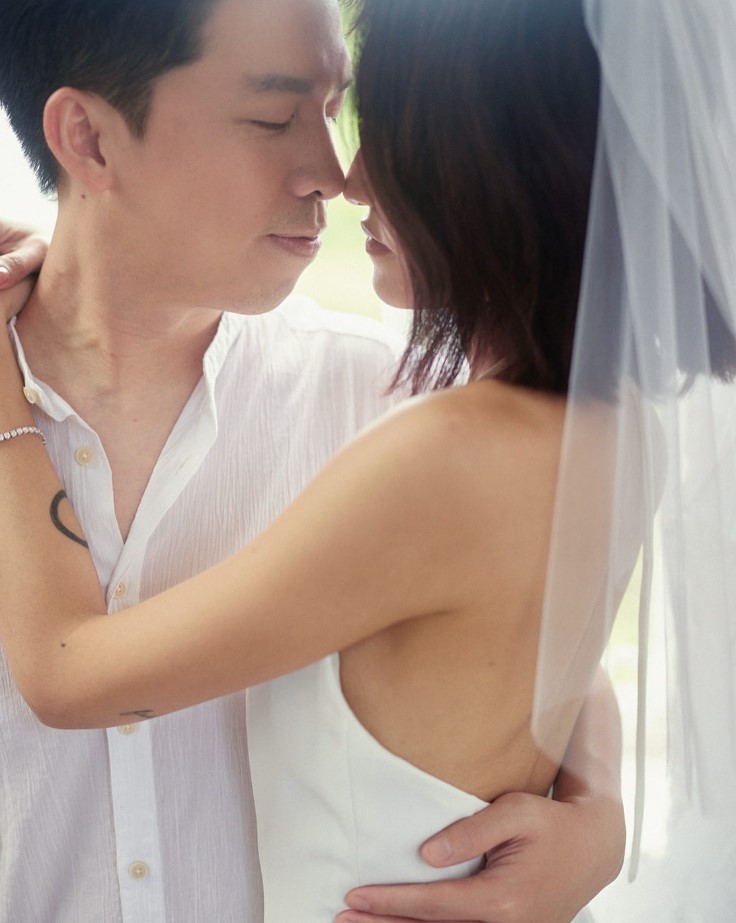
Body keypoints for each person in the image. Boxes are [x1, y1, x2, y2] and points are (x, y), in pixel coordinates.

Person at [0, 1, 626, 923]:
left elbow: (531, 634)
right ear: (87, 138)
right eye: (271, 117)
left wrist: (598, 817)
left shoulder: (390, 401)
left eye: (336, 109)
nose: (335, 173)